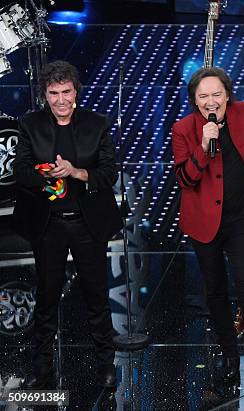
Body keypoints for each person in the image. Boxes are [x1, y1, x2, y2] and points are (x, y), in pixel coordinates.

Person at [13, 60, 122, 389]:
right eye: (53, 93)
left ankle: (106, 362)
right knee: (47, 295)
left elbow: (108, 173)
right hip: (49, 225)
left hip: (88, 225)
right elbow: (20, 173)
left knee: (96, 294)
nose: (60, 99)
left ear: (76, 92)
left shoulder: (96, 124)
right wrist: (47, 173)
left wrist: (76, 173)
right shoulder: (30, 125)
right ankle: (42, 361)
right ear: (45, 94)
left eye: (66, 92)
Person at [172, 67, 244, 386]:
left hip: (243, 218)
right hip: (204, 223)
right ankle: (229, 358)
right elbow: (185, 179)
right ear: (194, 101)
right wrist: (203, 147)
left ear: (228, 95)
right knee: (214, 291)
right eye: (203, 96)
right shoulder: (184, 129)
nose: (211, 101)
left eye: (217, 94)